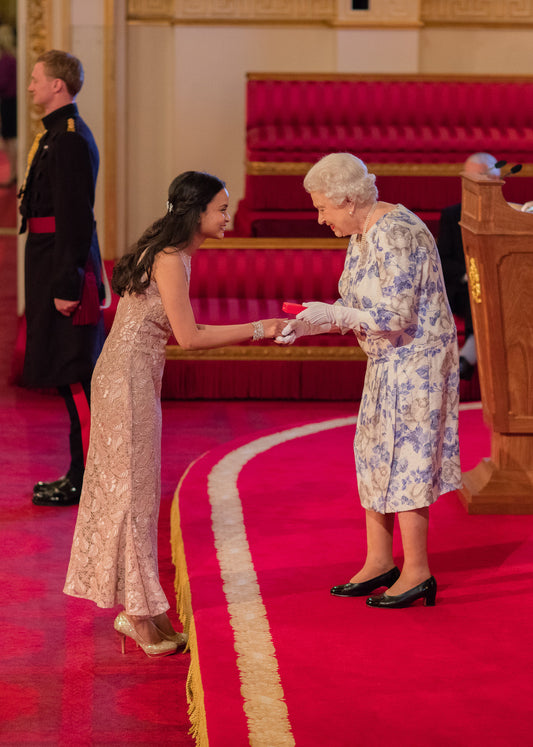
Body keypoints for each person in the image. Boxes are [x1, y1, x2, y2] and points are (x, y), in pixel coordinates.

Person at [64, 171, 287, 657]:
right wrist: (259, 328)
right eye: (221, 209)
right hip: (126, 383)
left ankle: (143, 608)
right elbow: (190, 337)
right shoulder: (171, 260)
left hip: (129, 377)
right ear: (196, 212)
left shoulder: (171, 253)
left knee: (135, 491)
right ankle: (139, 616)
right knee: (134, 495)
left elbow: (182, 327)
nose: (228, 216)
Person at [278, 152, 461, 609]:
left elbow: (396, 316)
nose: (320, 218)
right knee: (375, 450)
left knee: (407, 459)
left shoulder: (395, 233)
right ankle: (380, 561)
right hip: (386, 361)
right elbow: (353, 300)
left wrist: (335, 315)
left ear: (347, 199)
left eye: (323, 208)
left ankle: (418, 572)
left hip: (416, 360)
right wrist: (309, 322)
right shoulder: (362, 231)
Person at [19, 50, 105, 507]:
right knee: (68, 376)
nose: (30, 86)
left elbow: (75, 216)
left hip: (63, 265)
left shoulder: (68, 138)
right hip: (51, 259)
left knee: (77, 377)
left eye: (36, 80)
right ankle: (78, 473)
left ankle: (87, 481)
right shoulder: (56, 134)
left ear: (58, 85)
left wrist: (69, 284)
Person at [437, 153, 500, 380]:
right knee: (480, 296)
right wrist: (471, 275)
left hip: (503, 287)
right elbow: (442, 260)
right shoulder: (452, 215)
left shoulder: (510, 215)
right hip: (463, 289)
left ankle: (466, 359)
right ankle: (467, 359)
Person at [0, 25, 17, 186]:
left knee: (9, 138)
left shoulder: (6, 59)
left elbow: (2, 82)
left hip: (8, 101)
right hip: (12, 100)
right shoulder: (13, 56)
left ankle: (13, 172)